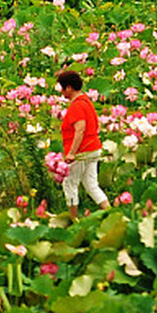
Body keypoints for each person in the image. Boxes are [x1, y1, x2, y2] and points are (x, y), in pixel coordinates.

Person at [56, 70, 105, 213]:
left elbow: (80, 130)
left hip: (82, 151)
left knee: (69, 183)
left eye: (62, 88)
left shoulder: (77, 105)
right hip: (94, 147)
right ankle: (110, 212)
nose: (61, 91)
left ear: (69, 87)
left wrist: (72, 153)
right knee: (91, 185)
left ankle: (74, 219)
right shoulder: (87, 102)